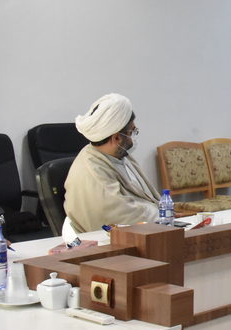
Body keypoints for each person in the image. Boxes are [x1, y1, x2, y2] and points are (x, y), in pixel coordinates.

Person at [64, 93, 161, 234]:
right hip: (106, 242)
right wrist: (166, 215)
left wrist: (170, 211)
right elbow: (122, 216)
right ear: (116, 138)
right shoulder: (92, 172)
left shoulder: (120, 156)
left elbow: (148, 198)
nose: (134, 136)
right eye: (132, 132)